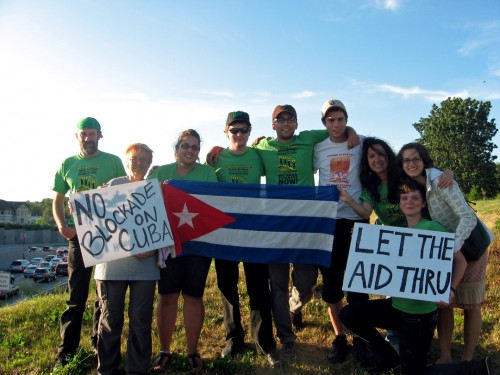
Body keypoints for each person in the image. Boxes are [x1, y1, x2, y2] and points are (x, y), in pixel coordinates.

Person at [340, 179, 494, 375]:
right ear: (399, 203)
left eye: (415, 198)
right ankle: (390, 358)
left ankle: (475, 369)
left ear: (423, 203)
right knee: (348, 314)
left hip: (420, 318)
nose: (409, 201)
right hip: (396, 308)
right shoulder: (398, 232)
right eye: (404, 198)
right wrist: (362, 237)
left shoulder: (434, 228)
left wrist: (451, 288)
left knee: (413, 373)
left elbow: (461, 261)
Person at [398, 142, 487, 364]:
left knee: (471, 304)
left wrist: (451, 247)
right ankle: (445, 355)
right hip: (442, 247)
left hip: (469, 245)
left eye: (416, 158)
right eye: (406, 160)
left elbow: (468, 217)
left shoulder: (440, 181)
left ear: (424, 159)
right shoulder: (412, 186)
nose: (411, 163)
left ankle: (467, 359)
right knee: (443, 301)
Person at [52, 117, 126, 370]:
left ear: (99, 135)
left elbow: (126, 193)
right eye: (83, 134)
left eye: (92, 134)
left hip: (107, 235)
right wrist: (62, 225)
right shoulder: (68, 163)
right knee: (76, 297)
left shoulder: (113, 161)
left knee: (103, 297)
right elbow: (58, 198)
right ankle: (67, 352)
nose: (88, 138)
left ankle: (99, 344)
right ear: (77, 136)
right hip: (78, 238)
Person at [211, 111, 278, 367]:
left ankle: (265, 342)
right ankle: (233, 339)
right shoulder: (215, 158)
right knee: (227, 287)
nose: (239, 134)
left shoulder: (259, 154)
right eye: (234, 130)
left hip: (254, 229)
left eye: (243, 130)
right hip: (225, 231)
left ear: (250, 131)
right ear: (226, 132)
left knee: (259, 286)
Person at [148, 129, 217, 373]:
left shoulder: (208, 174)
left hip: (197, 244)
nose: (189, 150)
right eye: (185, 145)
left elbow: (213, 206)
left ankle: (192, 351)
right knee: (167, 296)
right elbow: (145, 202)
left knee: (193, 296)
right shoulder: (160, 172)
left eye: (195, 147)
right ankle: (164, 350)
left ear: (199, 152)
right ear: (176, 148)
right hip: (168, 244)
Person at [313, 99, 372, 364]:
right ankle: (340, 337)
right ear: (324, 123)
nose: (336, 125)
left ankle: (361, 337)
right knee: (332, 283)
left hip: (356, 219)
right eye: (330, 120)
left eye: (340, 119)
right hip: (329, 222)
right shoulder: (317, 148)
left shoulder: (360, 144)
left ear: (346, 120)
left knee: (358, 284)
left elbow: (383, 161)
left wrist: (353, 133)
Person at [94, 143, 160, 375]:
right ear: (126, 161)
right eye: (134, 158)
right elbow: (101, 224)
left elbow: (160, 226)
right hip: (112, 267)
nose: (139, 162)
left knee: (141, 321)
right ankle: (107, 369)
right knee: (110, 321)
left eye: (144, 159)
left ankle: (137, 369)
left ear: (150, 163)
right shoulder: (114, 186)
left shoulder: (155, 188)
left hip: (146, 268)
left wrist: (154, 245)